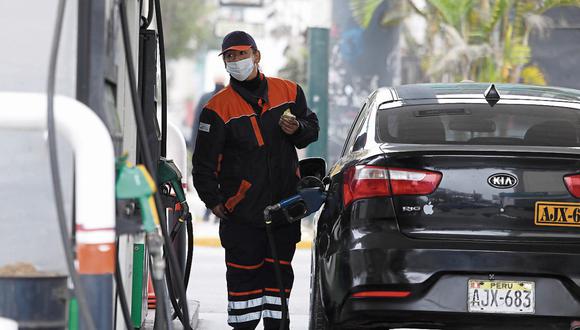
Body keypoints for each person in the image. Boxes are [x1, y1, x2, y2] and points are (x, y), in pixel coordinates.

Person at [192, 30, 319, 330]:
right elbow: (203, 165)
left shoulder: (288, 91)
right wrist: (216, 203)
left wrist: (297, 128)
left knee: (278, 282)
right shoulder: (217, 108)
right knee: (243, 285)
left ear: (256, 55)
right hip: (242, 216)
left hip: (284, 209)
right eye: (230, 56)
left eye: (240, 54)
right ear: (225, 63)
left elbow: (311, 130)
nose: (236, 60)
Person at [190, 76, 226, 222]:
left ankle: (216, 208)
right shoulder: (207, 98)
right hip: (210, 148)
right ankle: (210, 208)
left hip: (223, 150)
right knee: (209, 176)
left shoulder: (229, 98)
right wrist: (195, 144)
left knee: (221, 179)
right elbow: (197, 124)